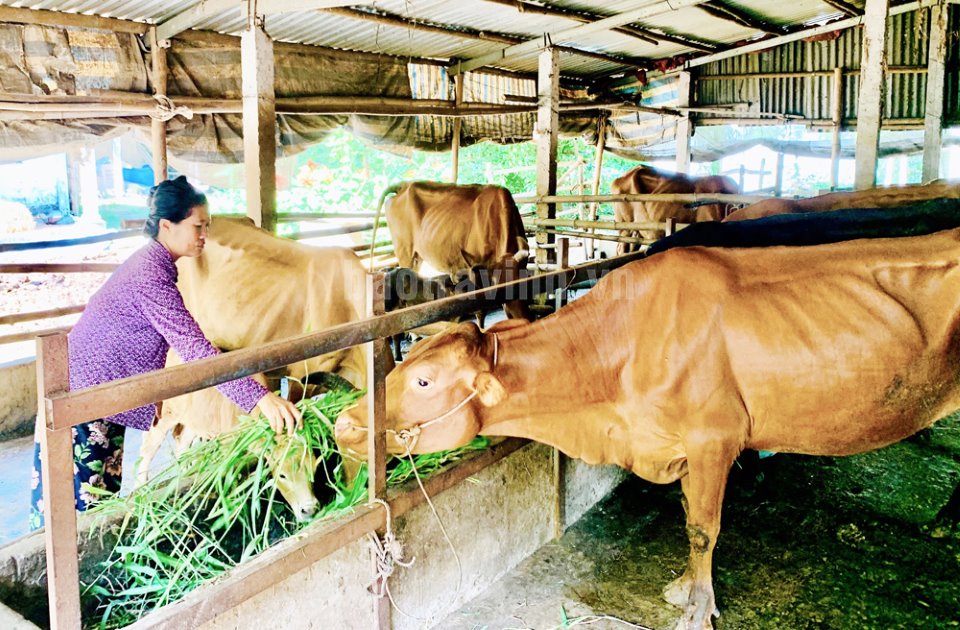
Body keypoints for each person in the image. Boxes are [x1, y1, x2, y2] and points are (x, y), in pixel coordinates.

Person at [30, 176, 301, 530]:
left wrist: (152, 391)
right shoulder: (150, 275)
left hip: (98, 393)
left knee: (98, 496)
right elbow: (195, 350)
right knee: (79, 510)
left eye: (207, 226)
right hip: (81, 396)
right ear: (166, 226)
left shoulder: (156, 265)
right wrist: (259, 398)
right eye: (197, 226)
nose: (204, 235)